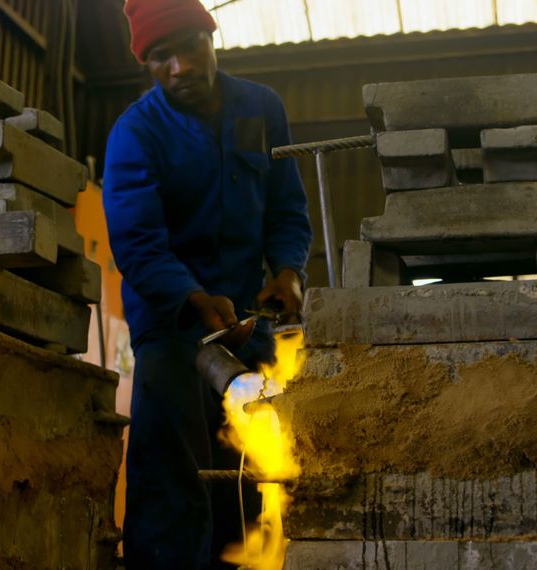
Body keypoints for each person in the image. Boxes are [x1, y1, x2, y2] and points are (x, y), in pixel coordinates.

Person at [102, 0, 313, 567]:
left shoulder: (261, 109)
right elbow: (139, 244)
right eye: (159, 57)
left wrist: (289, 272)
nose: (179, 67)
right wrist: (192, 297)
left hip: (246, 328)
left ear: (211, 37)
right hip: (172, 333)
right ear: (146, 64)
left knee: (249, 476)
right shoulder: (134, 135)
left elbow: (287, 210)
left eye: (190, 46)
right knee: (174, 481)